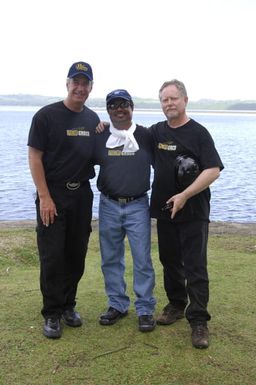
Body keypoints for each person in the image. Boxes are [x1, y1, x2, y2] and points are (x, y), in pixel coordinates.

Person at [27, 61, 100, 339]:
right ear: (67, 84)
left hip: (81, 194)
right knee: (52, 254)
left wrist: (104, 127)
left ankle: (69, 305)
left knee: (76, 253)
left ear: (91, 87)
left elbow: (98, 151)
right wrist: (44, 196)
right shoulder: (46, 116)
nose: (80, 87)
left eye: (85, 83)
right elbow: (35, 157)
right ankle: (52, 312)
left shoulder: (92, 119)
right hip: (53, 194)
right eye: (76, 82)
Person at [150, 79, 224, 348]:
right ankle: (177, 304)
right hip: (165, 210)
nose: (168, 104)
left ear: (185, 100)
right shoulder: (156, 132)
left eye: (173, 98)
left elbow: (213, 169)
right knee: (169, 261)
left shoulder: (199, 133)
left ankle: (199, 320)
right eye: (164, 100)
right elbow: (128, 134)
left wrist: (184, 195)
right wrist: (103, 126)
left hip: (193, 210)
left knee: (194, 266)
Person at [94, 89, 156, 332]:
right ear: (108, 110)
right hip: (108, 204)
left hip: (138, 204)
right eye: (113, 105)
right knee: (110, 258)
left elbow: (163, 162)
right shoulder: (100, 135)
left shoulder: (146, 135)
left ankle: (145, 309)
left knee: (142, 259)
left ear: (132, 107)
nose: (119, 109)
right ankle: (117, 304)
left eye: (124, 104)